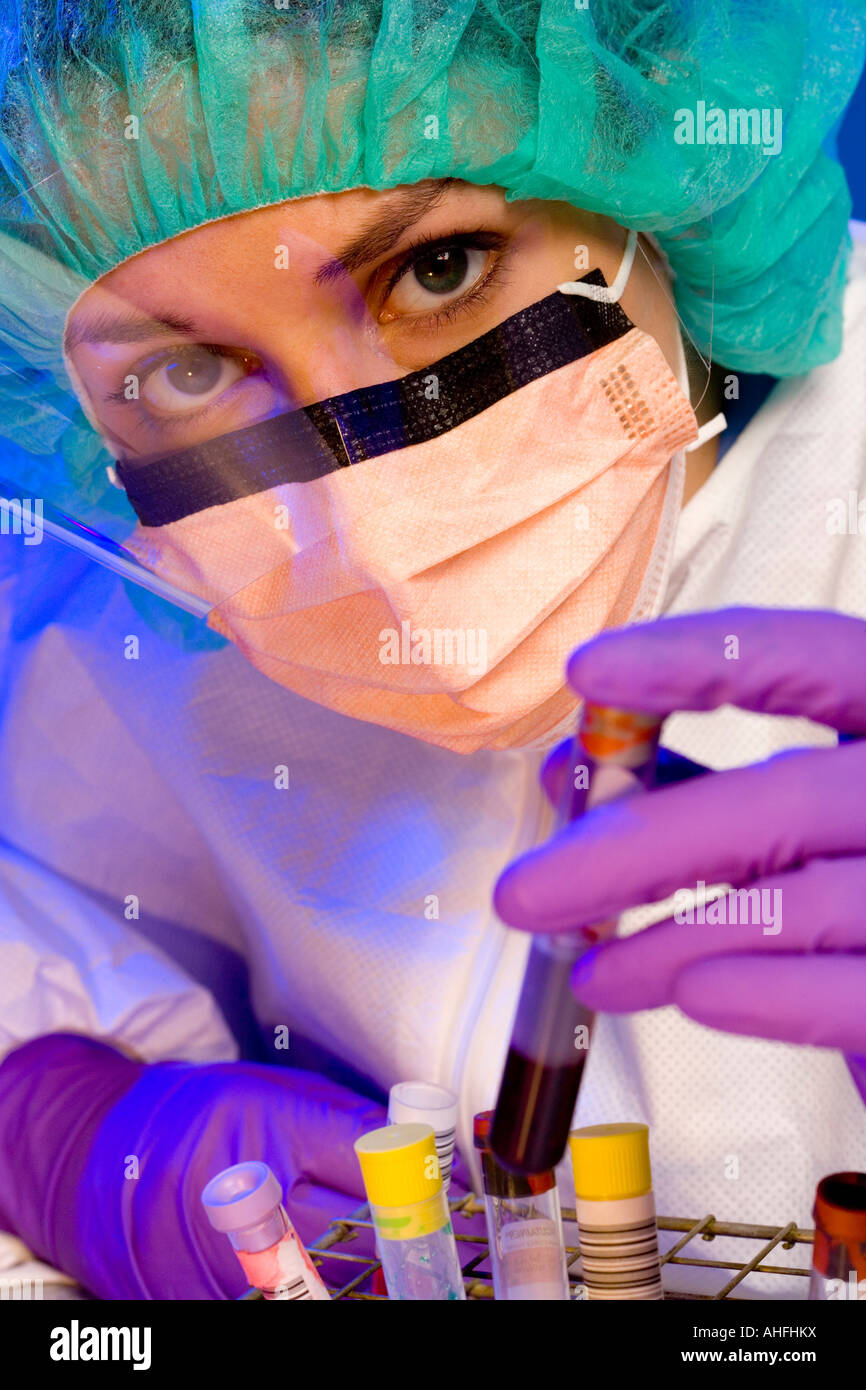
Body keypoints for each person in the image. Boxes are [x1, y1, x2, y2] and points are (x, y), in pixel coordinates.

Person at [0, 0, 864, 1300]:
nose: (371, 523)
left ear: (647, 162)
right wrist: (70, 1135)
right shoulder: (119, 616)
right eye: (183, 372)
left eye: (439, 270)